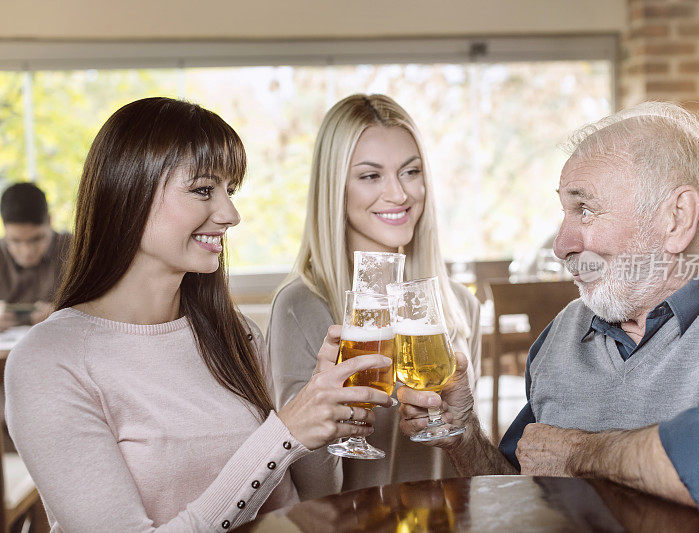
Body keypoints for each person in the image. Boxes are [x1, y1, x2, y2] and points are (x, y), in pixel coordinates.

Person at [4, 97, 393, 531]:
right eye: (204, 190)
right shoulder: (49, 362)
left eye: (230, 191)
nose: (230, 214)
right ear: (129, 193)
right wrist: (283, 435)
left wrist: (324, 417)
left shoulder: (237, 335)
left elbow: (312, 503)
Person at [397, 101, 699, 519]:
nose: (560, 244)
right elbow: (522, 494)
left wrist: (578, 452)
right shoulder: (563, 330)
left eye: (585, 209)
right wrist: (463, 435)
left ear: (677, 219)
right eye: (564, 210)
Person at [266, 94, 481, 499]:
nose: (399, 194)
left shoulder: (458, 306)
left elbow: (466, 466)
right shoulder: (299, 307)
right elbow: (307, 490)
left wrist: (463, 431)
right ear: (335, 188)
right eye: (370, 176)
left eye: (410, 171)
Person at [0, 182, 71, 330]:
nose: (27, 252)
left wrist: (65, 312)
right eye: (15, 241)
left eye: (36, 239)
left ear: (50, 221)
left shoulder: (75, 250)